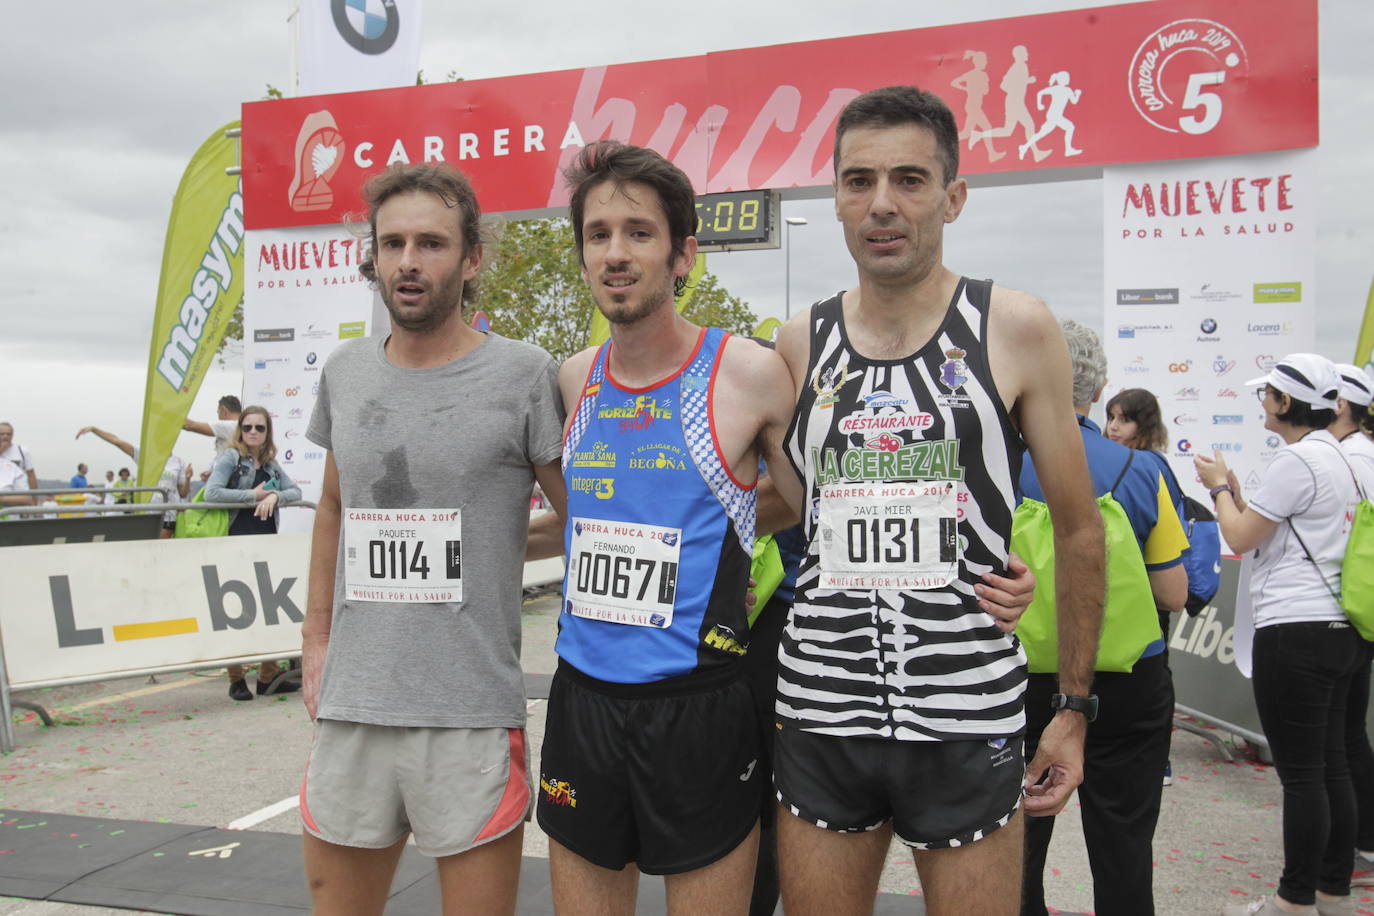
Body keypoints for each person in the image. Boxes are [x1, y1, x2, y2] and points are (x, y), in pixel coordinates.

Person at [771, 85, 1105, 916]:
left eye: (910, 179)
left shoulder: (1016, 326)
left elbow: (1079, 528)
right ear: (837, 198)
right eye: (858, 181)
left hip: (968, 711)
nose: (882, 204)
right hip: (823, 705)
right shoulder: (794, 341)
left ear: (953, 197)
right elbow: (785, 506)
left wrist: (1071, 708)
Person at [530, 139, 800, 916]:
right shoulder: (573, 378)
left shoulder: (746, 372)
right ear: (582, 254)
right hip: (583, 701)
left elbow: (815, 506)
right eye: (599, 234)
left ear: (683, 255)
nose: (617, 254)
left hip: (702, 703)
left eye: (639, 233)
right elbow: (576, 524)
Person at [299, 162, 566, 916]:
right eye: (392, 244)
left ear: (471, 257)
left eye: (431, 244)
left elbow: (577, 513)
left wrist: (495, 542)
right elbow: (331, 508)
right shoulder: (347, 372)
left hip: (470, 713)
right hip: (355, 704)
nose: (409, 262)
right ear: (374, 258)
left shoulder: (523, 374)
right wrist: (315, 641)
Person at [1018, 320, 1188, 916]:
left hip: (1018, 679)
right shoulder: (1143, 472)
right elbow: (1172, 592)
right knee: (1123, 844)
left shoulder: (992, 469)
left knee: (1016, 848)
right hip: (1125, 682)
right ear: (1096, 390)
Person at [1196, 353, 1365, 916]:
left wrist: (1219, 489)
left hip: (1295, 629)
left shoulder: (1298, 461)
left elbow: (1242, 537)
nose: (1262, 403)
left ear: (1286, 402)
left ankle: (1293, 902)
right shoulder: (1343, 458)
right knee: (1332, 765)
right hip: (1340, 626)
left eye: (1266, 394)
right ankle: (1331, 893)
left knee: (1302, 776)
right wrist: (1239, 497)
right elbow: (1275, 530)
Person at [204, 405, 303, 701]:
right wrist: (254, 496)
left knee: (267, 609)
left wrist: (274, 495)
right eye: (247, 427)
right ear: (240, 430)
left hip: (265, 542)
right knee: (232, 611)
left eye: (259, 428)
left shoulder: (271, 464)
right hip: (234, 540)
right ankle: (236, 679)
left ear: (267, 432)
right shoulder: (231, 457)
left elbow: (296, 492)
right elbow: (213, 492)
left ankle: (267, 676)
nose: (253, 433)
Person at [1330, 363, 1374, 872]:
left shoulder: (1354, 454)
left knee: (1341, 742)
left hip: (1344, 609)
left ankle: (1357, 845)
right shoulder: (1352, 452)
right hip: (1348, 607)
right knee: (1345, 737)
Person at [74, 427, 190, 537]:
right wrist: (94, 429)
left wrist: (188, 478)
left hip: (168, 513)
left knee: (160, 547)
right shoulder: (146, 454)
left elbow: (183, 493)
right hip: (148, 512)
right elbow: (117, 441)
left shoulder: (178, 462)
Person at [184, 395, 242, 479]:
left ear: (223, 410)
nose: (218, 417)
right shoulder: (241, 426)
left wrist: (166, 414)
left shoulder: (232, 425)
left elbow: (190, 426)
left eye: (218, 413)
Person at [0, 422, 38, 492]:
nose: (5, 436)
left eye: (8, 434)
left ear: (12, 435)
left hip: (18, 494)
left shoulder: (22, 451)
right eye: (2, 434)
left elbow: (31, 475)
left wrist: (34, 497)